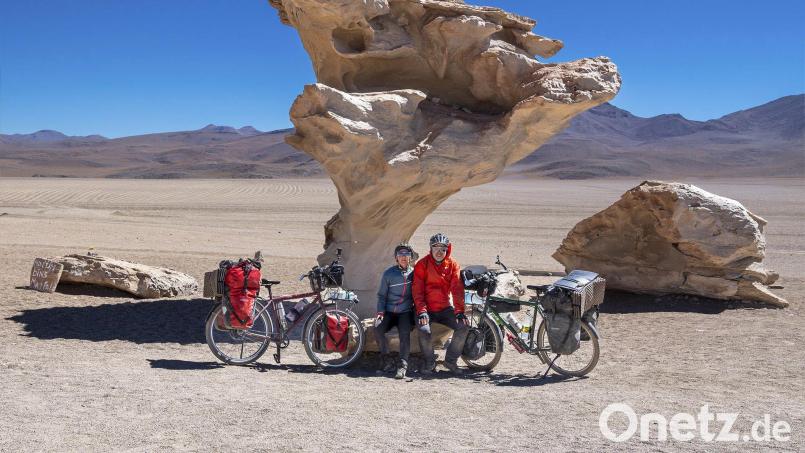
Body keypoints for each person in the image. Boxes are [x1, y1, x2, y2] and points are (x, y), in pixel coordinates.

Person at [413, 233, 469, 375]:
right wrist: (421, 311)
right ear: (430, 249)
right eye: (436, 248)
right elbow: (417, 290)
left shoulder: (453, 265)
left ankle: (450, 361)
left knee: (463, 326)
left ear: (447, 250)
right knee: (424, 330)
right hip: (426, 308)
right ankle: (430, 362)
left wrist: (460, 311)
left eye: (443, 249)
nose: (439, 252)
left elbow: (457, 289)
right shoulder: (422, 264)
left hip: (444, 308)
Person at [374, 242, 416, 379]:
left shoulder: (414, 274)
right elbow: (381, 295)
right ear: (396, 257)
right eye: (400, 254)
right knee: (378, 328)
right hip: (389, 311)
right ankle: (387, 359)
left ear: (410, 257)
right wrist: (380, 313)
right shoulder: (389, 274)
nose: (404, 257)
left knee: (404, 333)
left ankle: (403, 365)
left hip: (405, 312)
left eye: (407, 254)